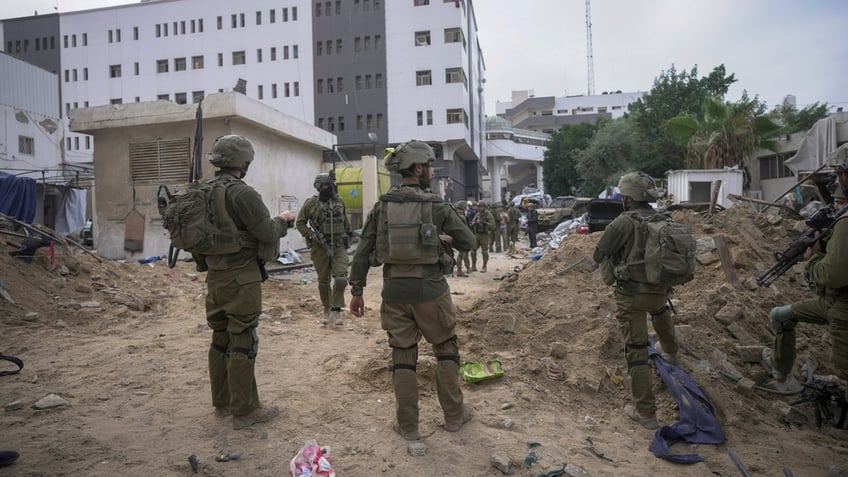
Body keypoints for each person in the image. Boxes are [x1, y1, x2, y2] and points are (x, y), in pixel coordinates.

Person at [348, 141, 476, 451]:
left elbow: (363, 251)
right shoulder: (437, 206)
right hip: (431, 291)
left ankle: (408, 427)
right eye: (430, 166)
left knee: (402, 356)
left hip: (394, 292)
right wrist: (443, 236)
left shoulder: (381, 207)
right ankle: (454, 417)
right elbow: (469, 242)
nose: (432, 171)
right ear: (418, 169)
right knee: (445, 348)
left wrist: (356, 291)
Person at [196, 134, 296, 430]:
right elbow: (266, 232)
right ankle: (245, 412)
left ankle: (222, 404)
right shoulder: (242, 193)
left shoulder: (201, 191)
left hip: (215, 276)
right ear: (243, 162)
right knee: (243, 340)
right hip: (242, 276)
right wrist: (284, 220)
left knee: (220, 339)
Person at [592, 171, 678, 430]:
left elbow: (599, 254)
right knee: (661, 311)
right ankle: (672, 353)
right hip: (660, 291)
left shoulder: (623, 222)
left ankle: (646, 414)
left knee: (637, 351)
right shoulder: (664, 218)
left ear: (628, 198)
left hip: (632, 296)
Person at [762, 165, 848, 423]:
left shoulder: (844, 224)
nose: (835, 207)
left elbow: (833, 275)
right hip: (831, 302)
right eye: (835, 202)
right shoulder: (838, 222)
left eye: (840, 202)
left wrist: (811, 259)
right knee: (781, 316)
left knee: (845, 371)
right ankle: (782, 377)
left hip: (843, 307)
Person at [296, 172, 352, 326]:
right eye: (328, 185)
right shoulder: (310, 204)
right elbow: (300, 223)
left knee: (341, 279)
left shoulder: (339, 201)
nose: (331, 188)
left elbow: (345, 221)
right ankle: (327, 308)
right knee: (323, 282)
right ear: (320, 187)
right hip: (320, 247)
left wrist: (350, 234)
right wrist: (312, 235)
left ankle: (336, 310)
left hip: (339, 245)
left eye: (332, 184)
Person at [469, 201, 495, 273]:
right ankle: (473, 266)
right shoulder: (477, 214)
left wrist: (484, 222)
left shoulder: (488, 214)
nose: (480, 208)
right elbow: (471, 223)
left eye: (481, 207)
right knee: (473, 251)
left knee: (484, 251)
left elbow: (493, 225)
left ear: (485, 207)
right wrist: (475, 223)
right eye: (479, 207)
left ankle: (484, 266)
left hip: (484, 235)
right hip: (476, 234)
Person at [453, 201, 471, 277]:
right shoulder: (462, 217)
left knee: (464, 253)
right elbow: (465, 228)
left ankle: (467, 268)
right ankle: (459, 270)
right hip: (461, 237)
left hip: (456, 236)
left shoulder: (455, 215)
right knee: (461, 254)